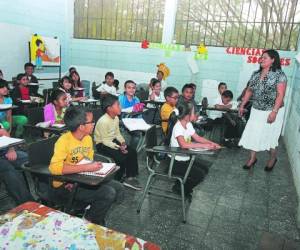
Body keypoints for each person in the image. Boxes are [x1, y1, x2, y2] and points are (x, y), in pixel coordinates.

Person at [49, 106, 124, 225]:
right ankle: (89, 220)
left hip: (81, 178)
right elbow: (54, 168)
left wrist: (94, 166)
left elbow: (88, 159)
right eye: (91, 122)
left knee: (119, 189)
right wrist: (84, 169)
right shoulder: (64, 141)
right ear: (81, 127)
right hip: (64, 185)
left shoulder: (87, 138)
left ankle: (91, 212)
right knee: (108, 193)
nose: (94, 124)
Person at [238, 49, 287, 171]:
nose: (261, 59)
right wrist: (242, 105)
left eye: (265, 57)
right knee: (254, 134)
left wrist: (274, 112)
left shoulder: (279, 75)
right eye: (261, 57)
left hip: (273, 111)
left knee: (269, 136)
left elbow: (280, 95)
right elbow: (249, 90)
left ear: (273, 60)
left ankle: (273, 157)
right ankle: (252, 158)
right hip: (256, 110)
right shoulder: (255, 74)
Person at [167, 102, 220, 196]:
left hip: (184, 158)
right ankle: (183, 190)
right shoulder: (178, 127)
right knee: (199, 174)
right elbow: (183, 145)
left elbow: (198, 138)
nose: (196, 115)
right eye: (194, 113)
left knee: (205, 169)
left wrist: (212, 143)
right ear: (186, 115)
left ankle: (180, 186)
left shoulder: (188, 124)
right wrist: (204, 146)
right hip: (174, 162)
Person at [94, 94, 141, 190]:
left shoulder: (115, 118)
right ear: (109, 108)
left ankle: (130, 177)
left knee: (132, 152)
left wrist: (123, 143)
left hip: (112, 141)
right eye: (118, 105)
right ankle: (118, 180)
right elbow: (105, 141)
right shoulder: (103, 121)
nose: (121, 107)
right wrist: (119, 147)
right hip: (102, 144)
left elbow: (117, 134)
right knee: (121, 157)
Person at [0, 128, 33, 205]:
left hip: (5, 150)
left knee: (32, 159)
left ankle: (45, 194)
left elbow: (3, 132)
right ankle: (27, 204)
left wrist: (11, 149)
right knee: (9, 170)